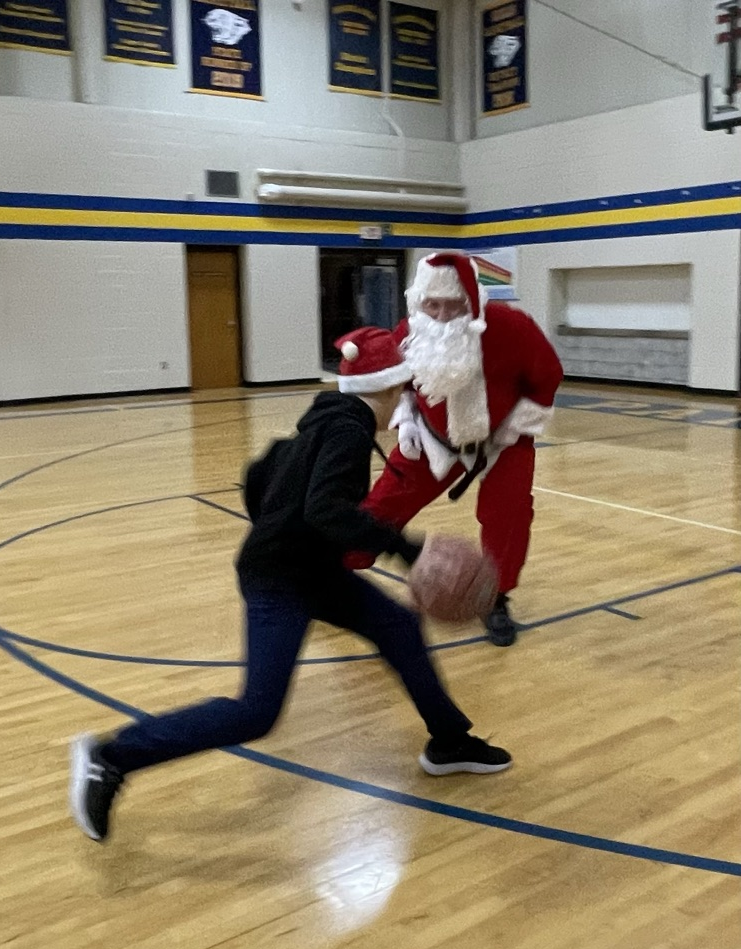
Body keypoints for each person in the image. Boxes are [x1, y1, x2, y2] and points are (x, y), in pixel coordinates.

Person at [69, 326, 512, 843]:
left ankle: (450, 742)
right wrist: (408, 549)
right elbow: (324, 508)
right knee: (256, 712)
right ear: (394, 388)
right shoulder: (347, 431)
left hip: (309, 568)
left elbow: (259, 474)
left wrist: (281, 526)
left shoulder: (325, 419)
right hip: (280, 579)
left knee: (398, 626)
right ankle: (111, 757)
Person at [347, 253, 564, 647]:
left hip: (504, 440)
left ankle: (496, 598)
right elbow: (395, 384)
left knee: (509, 515)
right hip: (432, 436)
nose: (444, 314)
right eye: (434, 304)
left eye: (454, 304)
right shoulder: (407, 333)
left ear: (473, 300)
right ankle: (339, 569)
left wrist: (515, 428)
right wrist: (407, 417)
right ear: (418, 301)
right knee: (383, 504)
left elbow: (547, 376)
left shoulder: (512, 327)